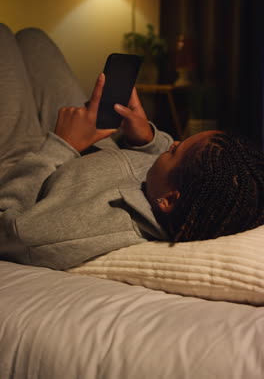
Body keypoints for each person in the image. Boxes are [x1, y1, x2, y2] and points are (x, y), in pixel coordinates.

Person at [0, 24, 263, 270]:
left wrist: (62, 145)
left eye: (173, 152)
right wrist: (146, 138)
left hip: (25, 162)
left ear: (169, 200)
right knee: (33, 40)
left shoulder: (98, 226)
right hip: (88, 139)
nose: (171, 144)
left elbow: (10, 234)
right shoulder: (183, 186)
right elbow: (168, 157)